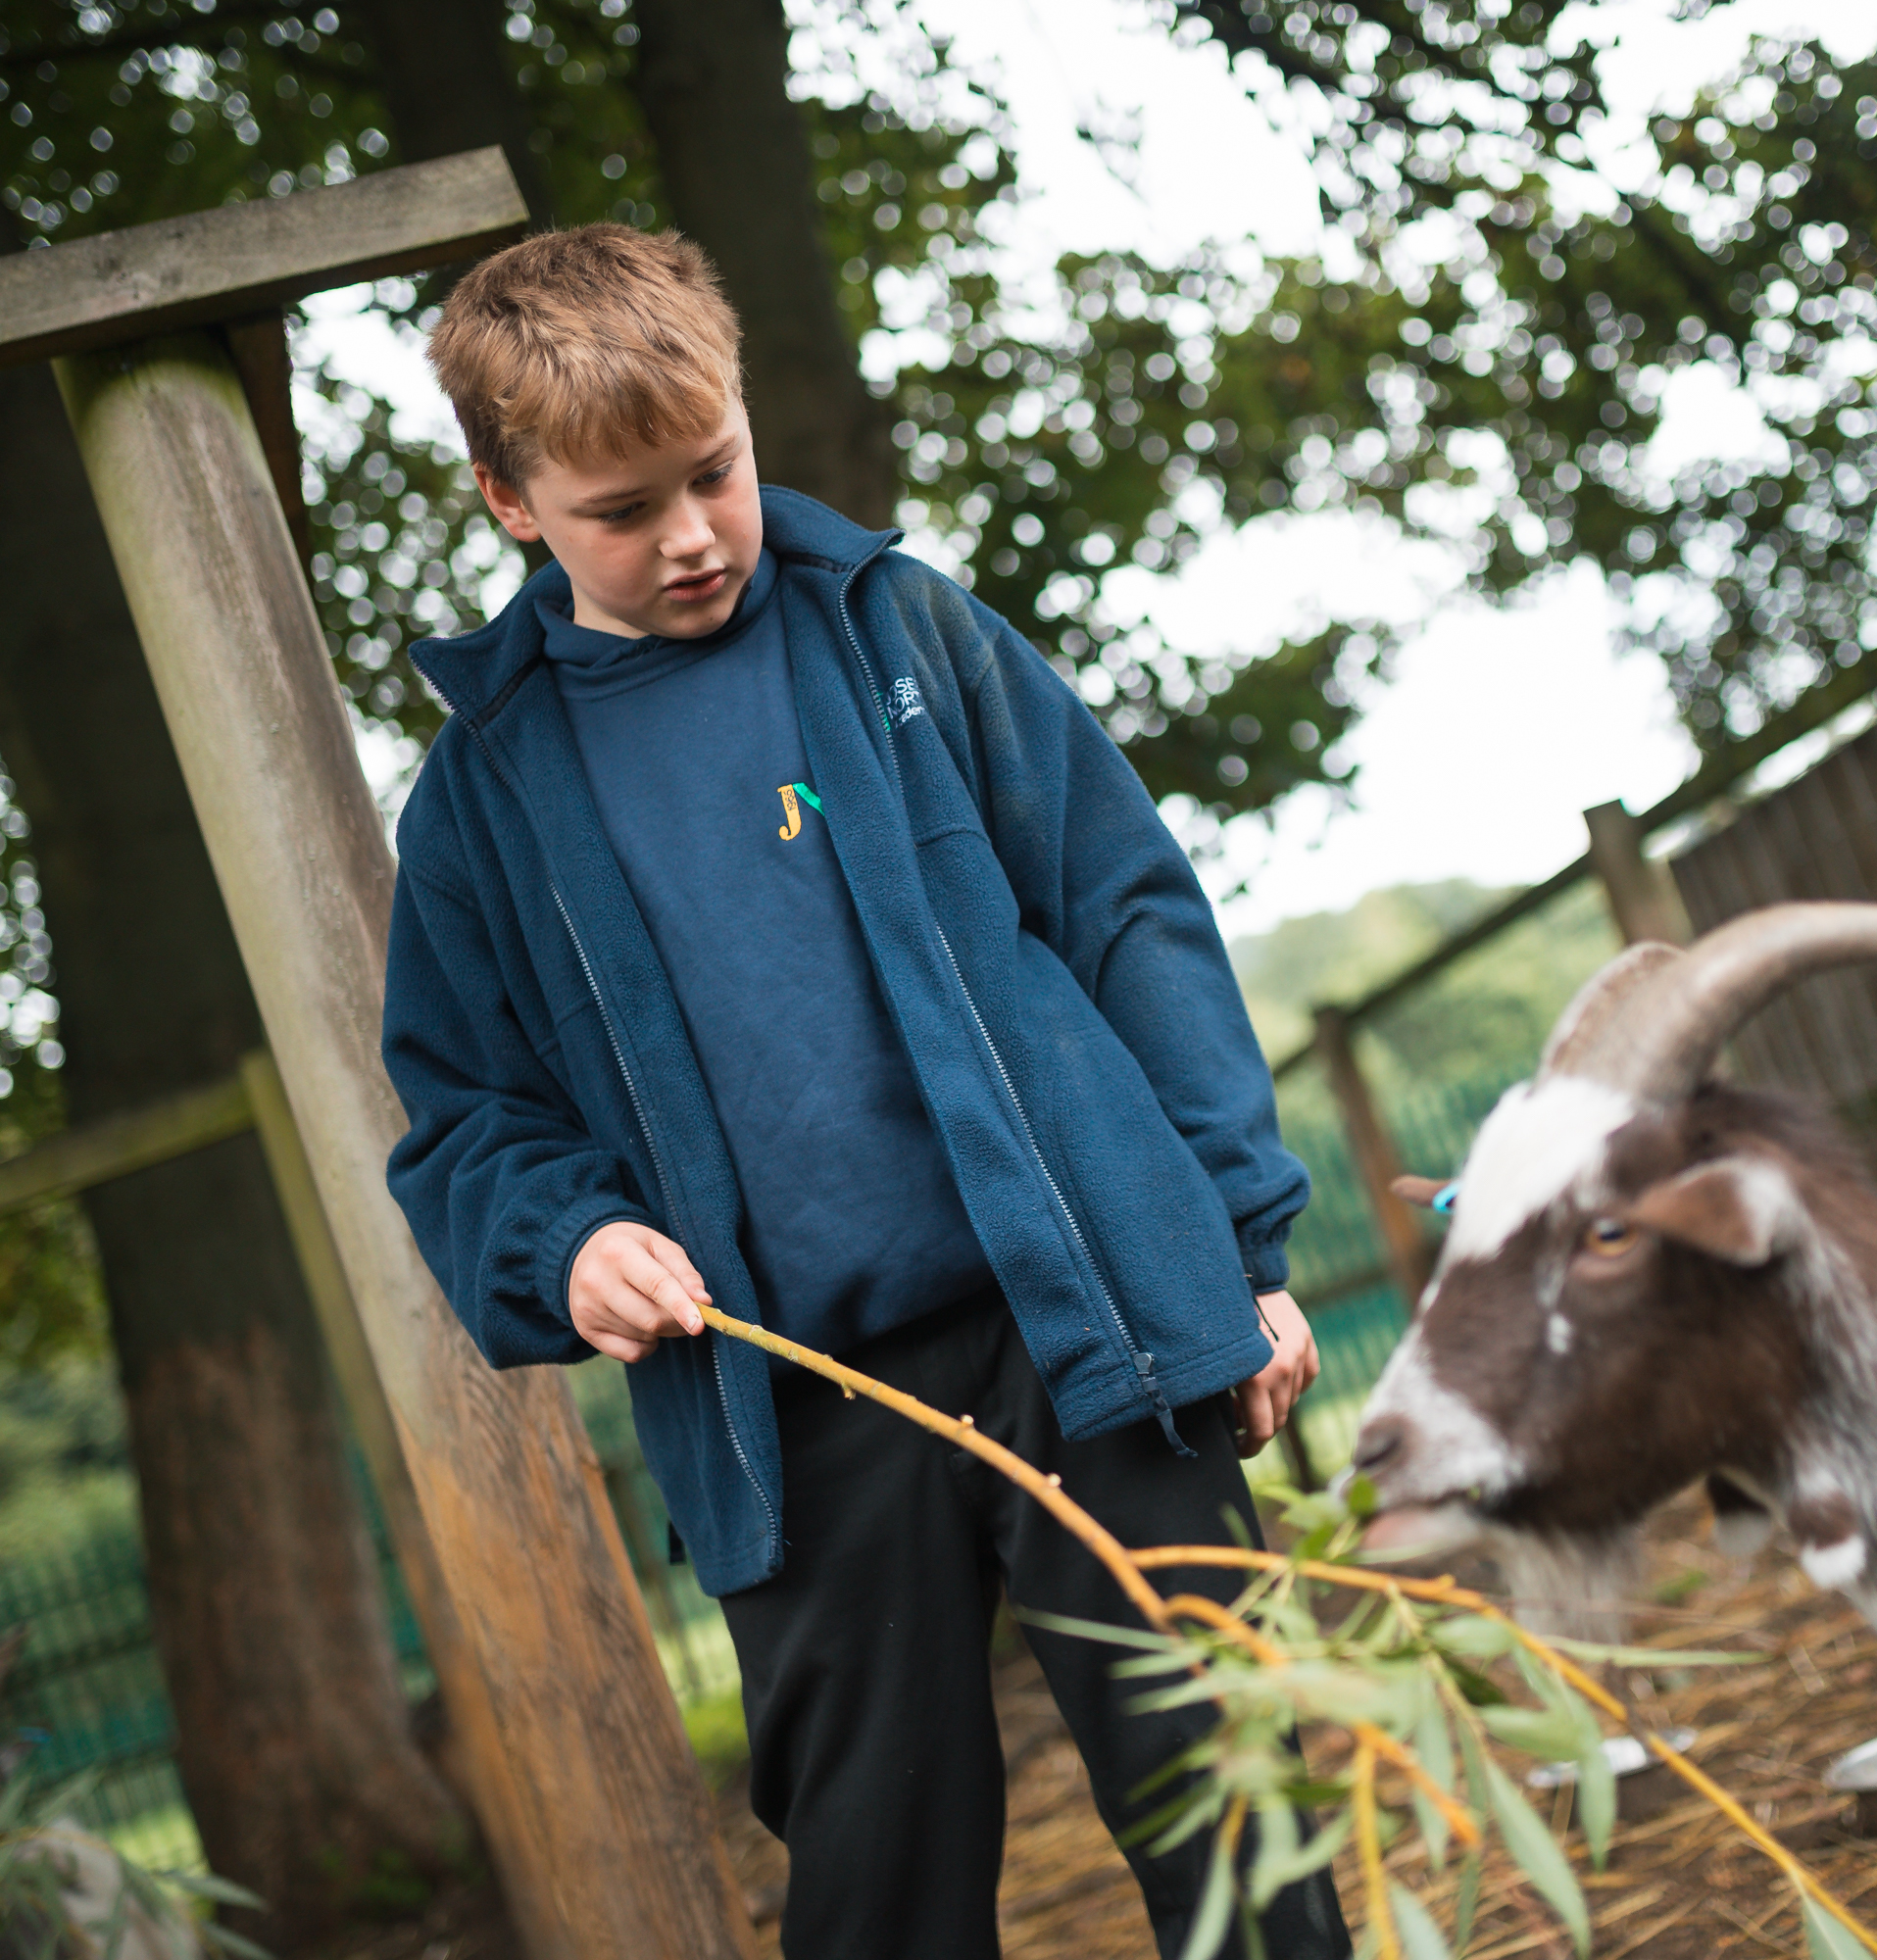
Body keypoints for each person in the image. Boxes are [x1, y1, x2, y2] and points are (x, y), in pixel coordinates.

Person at [379, 222, 1351, 1960]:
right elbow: (465, 1122)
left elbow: (1127, 916)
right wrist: (567, 1237)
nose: (689, 536)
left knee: (1239, 1826)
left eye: (716, 474)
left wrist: (1243, 1249)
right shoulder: (479, 806)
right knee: (878, 1895)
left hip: (1095, 1341)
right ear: (510, 501)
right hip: (794, 1409)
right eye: (623, 510)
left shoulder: (904, 631)